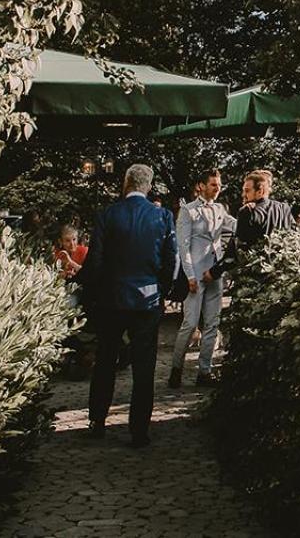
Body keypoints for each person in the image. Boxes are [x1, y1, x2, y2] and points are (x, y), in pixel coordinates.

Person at [78, 163, 176, 448]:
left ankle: (97, 420)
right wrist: (162, 290)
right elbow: (171, 260)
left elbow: (95, 261)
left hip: (111, 298)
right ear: (148, 186)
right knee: (144, 367)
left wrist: (90, 292)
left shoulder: (108, 215)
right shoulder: (162, 216)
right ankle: (139, 429)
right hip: (147, 300)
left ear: (126, 182)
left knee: (106, 361)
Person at [169, 169, 234, 388]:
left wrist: (249, 211)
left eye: (219, 185)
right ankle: (176, 368)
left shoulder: (220, 209)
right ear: (202, 186)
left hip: (215, 273)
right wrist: (189, 275)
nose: (218, 188)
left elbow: (235, 225)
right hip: (195, 274)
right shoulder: (188, 211)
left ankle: (204, 371)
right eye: (214, 185)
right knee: (189, 323)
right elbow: (183, 245)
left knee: (213, 323)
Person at [234, 169, 295, 250]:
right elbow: (294, 236)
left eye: (247, 191)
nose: (243, 194)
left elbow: (240, 247)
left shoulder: (248, 211)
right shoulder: (284, 209)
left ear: (260, 191)